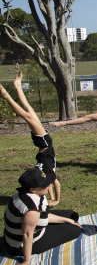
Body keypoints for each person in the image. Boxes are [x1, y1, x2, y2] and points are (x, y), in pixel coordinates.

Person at [3, 167, 82, 265]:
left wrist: (66, 220)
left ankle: (68, 220)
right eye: (45, 184)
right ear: (33, 189)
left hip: (31, 225)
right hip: (20, 246)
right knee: (74, 229)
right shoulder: (31, 209)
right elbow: (27, 234)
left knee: (71, 215)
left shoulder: (31, 194)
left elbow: (44, 216)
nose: (49, 185)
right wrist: (26, 261)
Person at [1, 71, 61, 206]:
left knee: (27, 116)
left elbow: (49, 184)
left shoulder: (43, 174)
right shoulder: (46, 173)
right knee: (29, 110)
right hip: (43, 144)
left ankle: (7, 96)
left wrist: (52, 199)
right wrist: (55, 200)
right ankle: (18, 86)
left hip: (44, 144)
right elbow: (54, 184)